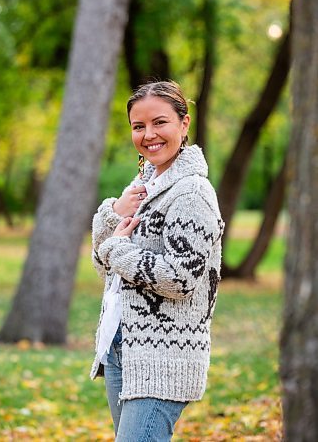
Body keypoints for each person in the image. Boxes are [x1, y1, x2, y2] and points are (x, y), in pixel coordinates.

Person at [90, 80, 224, 441]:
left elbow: (182, 278)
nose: (149, 134)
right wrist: (113, 214)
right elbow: (104, 265)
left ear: (184, 124)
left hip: (163, 356)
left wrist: (117, 249)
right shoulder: (144, 185)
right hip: (122, 345)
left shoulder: (192, 193)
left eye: (159, 122)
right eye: (138, 126)